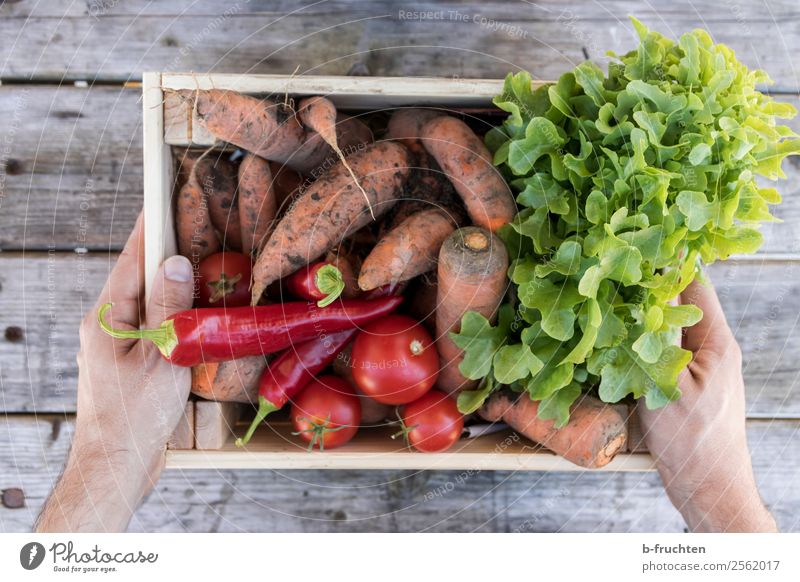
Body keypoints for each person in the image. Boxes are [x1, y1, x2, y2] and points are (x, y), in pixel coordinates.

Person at [35, 215, 778, 533]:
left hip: (371, 366)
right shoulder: (359, 321)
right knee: (330, 318)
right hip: (362, 357)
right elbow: (324, 321)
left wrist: (110, 456)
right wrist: (720, 499)